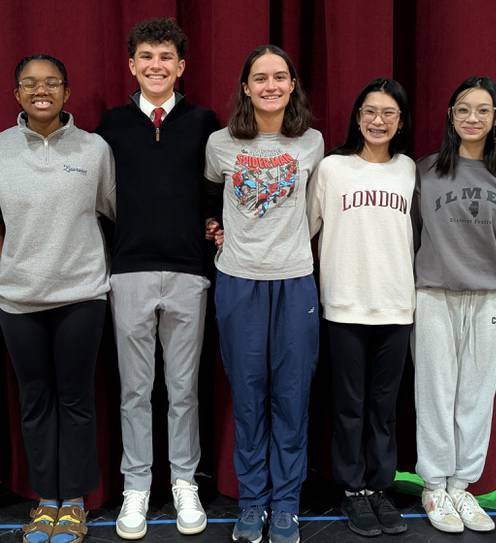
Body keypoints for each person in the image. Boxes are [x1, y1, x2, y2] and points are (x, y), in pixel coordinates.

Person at [0, 54, 115, 543]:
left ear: (66, 92)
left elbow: (110, 206)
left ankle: (73, 502)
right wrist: (3, 263)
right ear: (16, 94)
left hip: (81, 294)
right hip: (18, 299)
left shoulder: (95, 149)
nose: (41, 90)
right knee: (34, 400)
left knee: (76, 399)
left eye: (52, 82)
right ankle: (45, 500)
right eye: (30, 83)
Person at [95, 17, 219, 540]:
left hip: (190, 272)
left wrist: (212, 226)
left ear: (181, 66)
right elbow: (102, 198)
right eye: (146, 56)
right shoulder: (111, 126)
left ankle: (184, 481)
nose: (156, 65)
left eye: (166, 57)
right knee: (135, 390)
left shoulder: (204, 122)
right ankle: (137, 486)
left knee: (184, 389)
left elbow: (216, 190)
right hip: (130, 273)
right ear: (132, 65)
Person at [204, 45, 323, 543]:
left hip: (295, 281)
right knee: (249, 397)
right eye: (260, 78)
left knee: (291, 398)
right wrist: (214, 226)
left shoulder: (312, 142)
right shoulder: (220, 143)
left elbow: (315, 210)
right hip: (238, 281)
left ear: (292, 85)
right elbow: (209, 196)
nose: (270, 85)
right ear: (246, 88)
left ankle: (286, 505)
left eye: (279, 77)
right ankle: (252, 502)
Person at [414, 76, 496, 534]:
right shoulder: (425, 171)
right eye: (463, 109)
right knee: (435, 394)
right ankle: (434, 486)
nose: (472, 118)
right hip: (433, 294)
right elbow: (411, 237)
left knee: (477, 398)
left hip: (489, 299)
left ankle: (462, 486)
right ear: (450, 116)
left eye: (483, 110)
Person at [308, 79, 414, 537]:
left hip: (396, 306)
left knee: (384, 407)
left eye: (389, 113)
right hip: (345, 306)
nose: (378, 121)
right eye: (370, 111)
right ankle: (352, 489)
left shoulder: (409, 170)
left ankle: (379, 487)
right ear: (357, 117)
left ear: (400, 122)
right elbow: (305, 228)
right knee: (349, 406)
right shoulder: (332, 169)